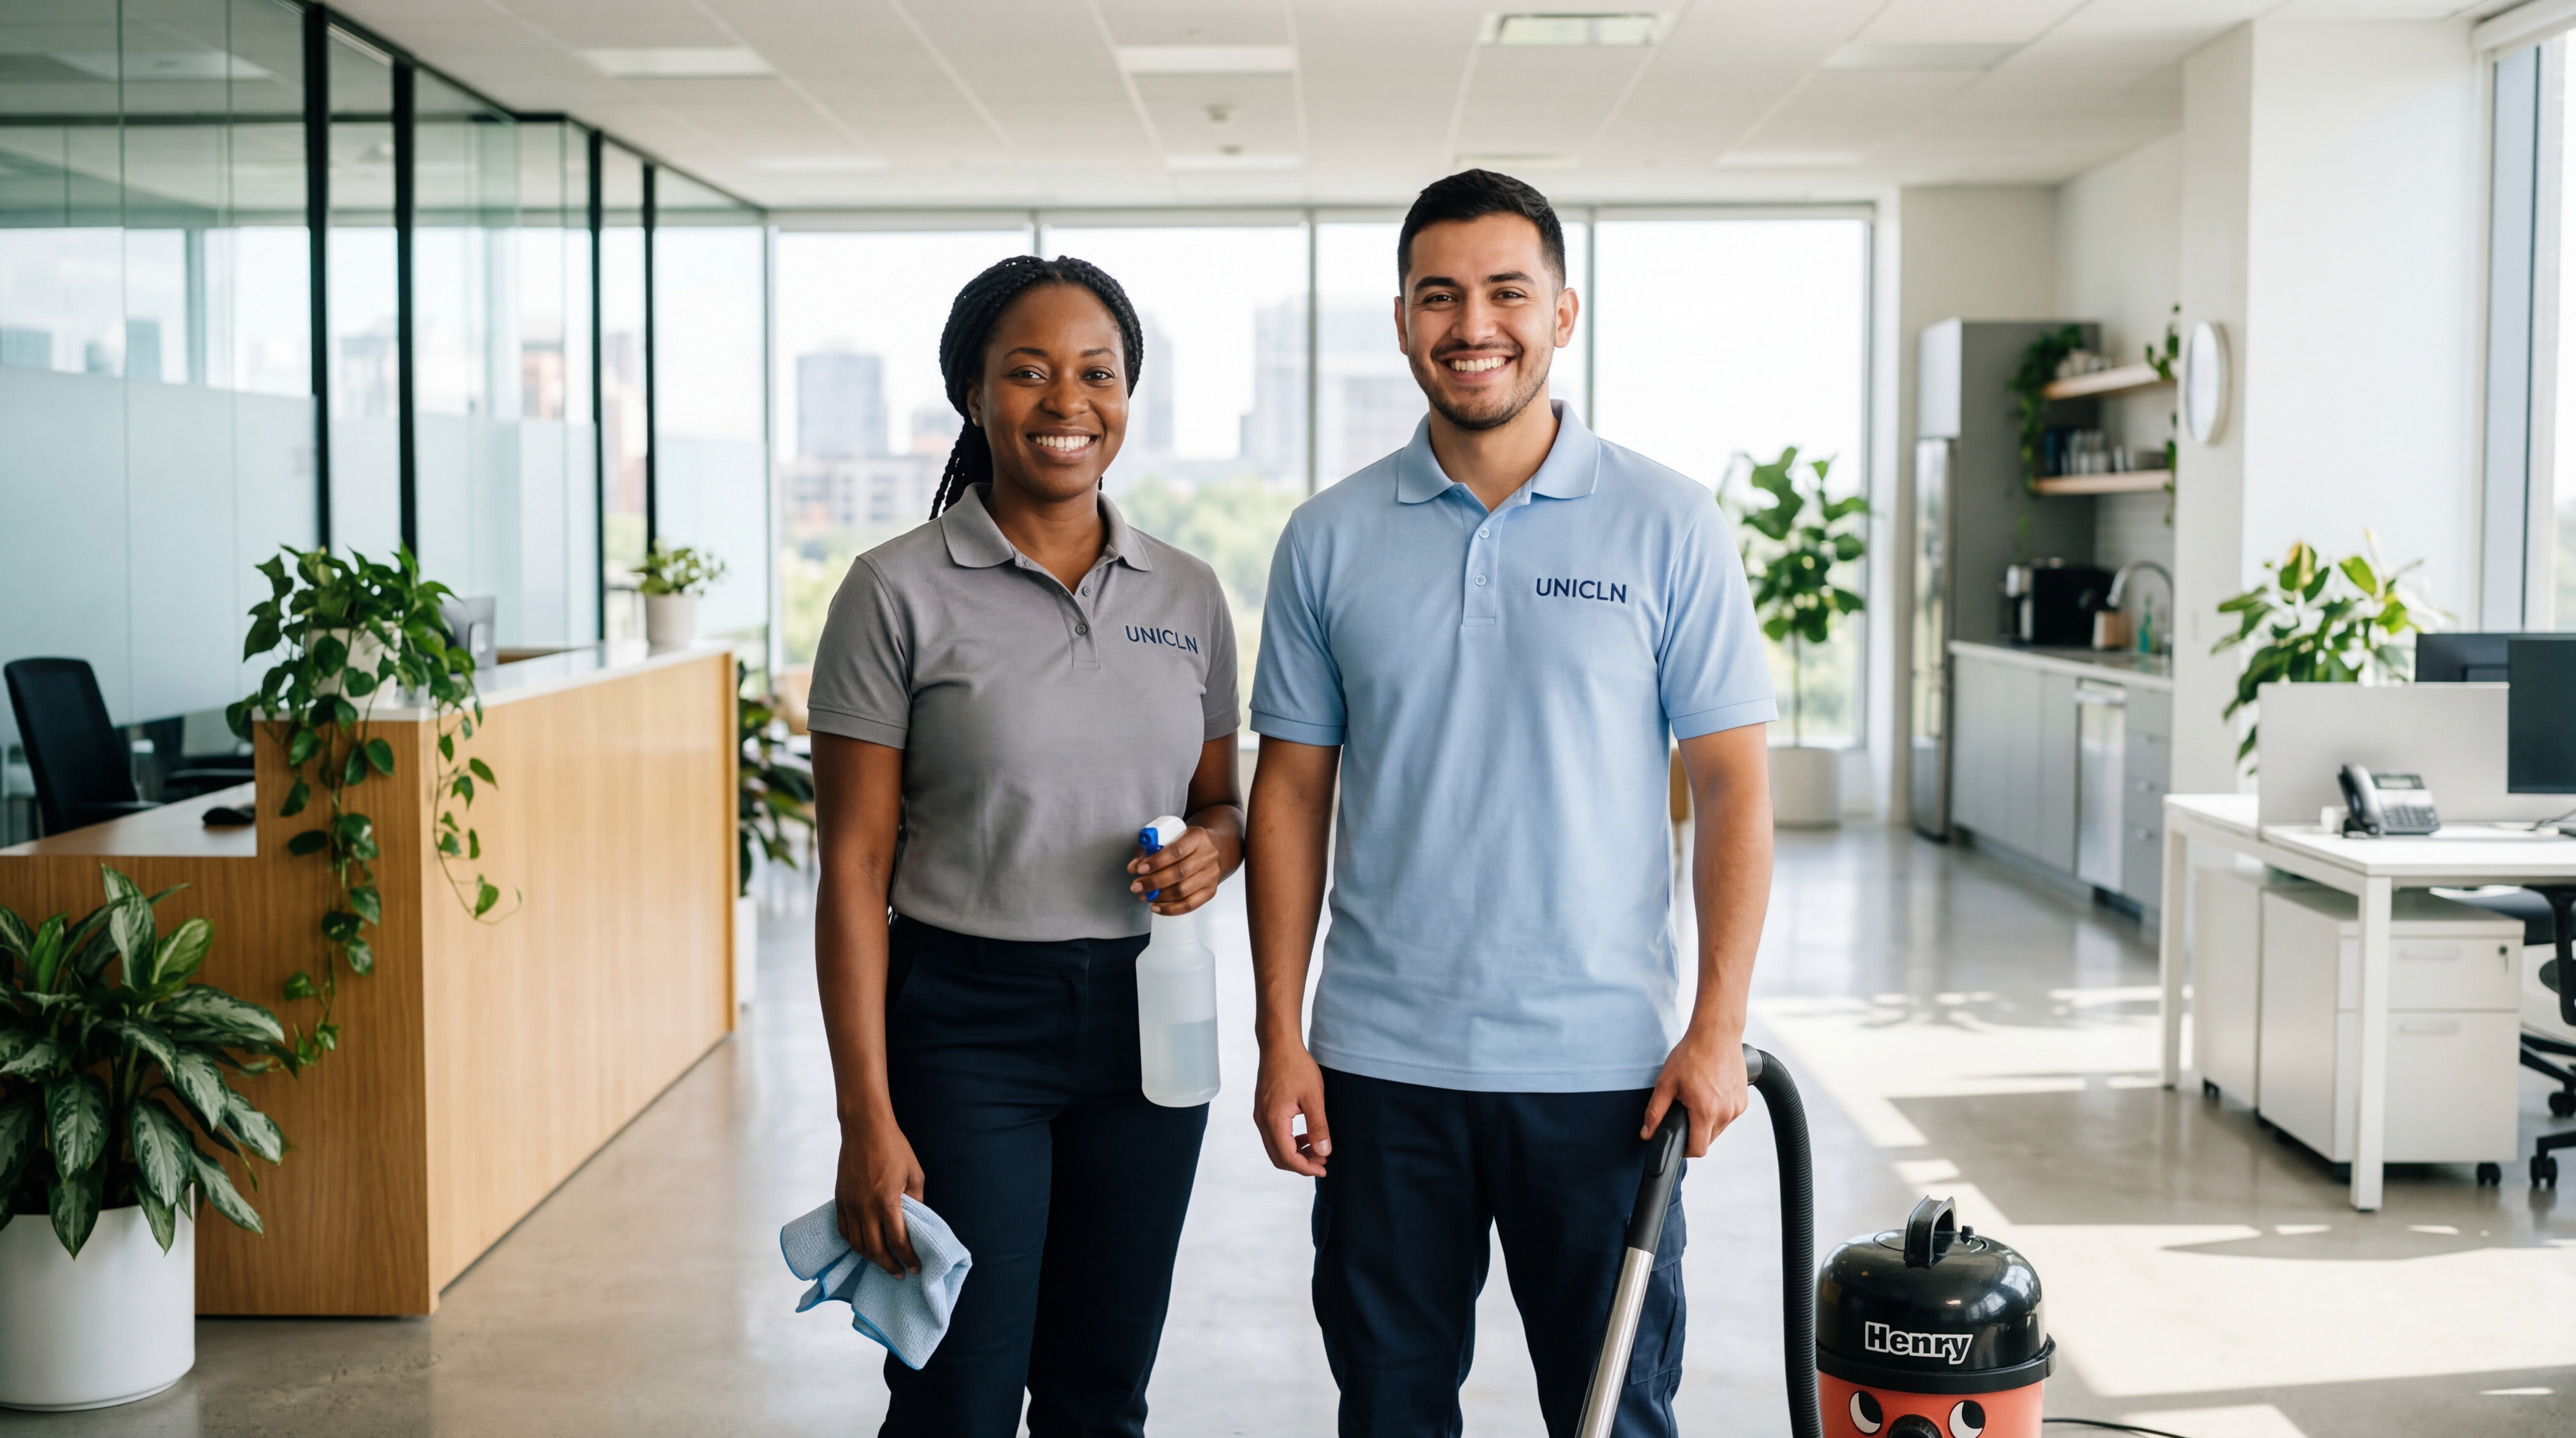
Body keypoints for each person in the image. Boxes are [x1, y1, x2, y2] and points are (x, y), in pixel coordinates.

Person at [1244, 170, 1778, 1436]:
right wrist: (1281, 1032)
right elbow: (1291, 797)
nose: (1471, 323)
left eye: (1505, 292)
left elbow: (1734, 787)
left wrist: (1718, 1023)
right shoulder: (1328, 539)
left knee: (1611, 1416)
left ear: (1564, 313)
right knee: (1391, 1409)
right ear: (1401, 321)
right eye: (1440, 295)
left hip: (1606, 1074)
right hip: (1381, 1065)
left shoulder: (1668, 524)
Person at [806, 254, 1244, 1437]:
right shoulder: (892, 592)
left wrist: (1217, 844)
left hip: (1152, 1026)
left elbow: (1222, 804)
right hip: (964, 1024)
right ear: (971, 394)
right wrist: (865, 1115)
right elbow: (850, 867)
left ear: (1127, 392)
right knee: (957, 1389)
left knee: (1103, 1390)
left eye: (1096, 373)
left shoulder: (1190, 592)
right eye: (1028, 373)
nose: (1067, 403)